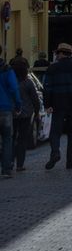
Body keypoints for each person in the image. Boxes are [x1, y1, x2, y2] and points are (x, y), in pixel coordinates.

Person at [43, 44, 72, 170]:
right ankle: (71, 161)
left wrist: (47, 104)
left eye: (58, 53)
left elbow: (47, 87)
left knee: (55, 131)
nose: (57, 56)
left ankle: (55, 153)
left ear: (61, 54)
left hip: (57, 104)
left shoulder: (52, 69)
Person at [13, 66, 39, 172]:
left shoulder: (11, 82)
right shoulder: (28, 83)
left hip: (12, 113)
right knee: (22, 140)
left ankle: (9, 163)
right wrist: (36, 111)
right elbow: (35, 98)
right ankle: (19, 164)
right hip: (26, 114)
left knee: (11, 138)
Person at [0, 50, 22, 178]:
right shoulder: (7, 69)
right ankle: (6, 169)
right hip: (5, 109)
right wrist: (18, 105)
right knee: (7, 139)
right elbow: (14, 88)